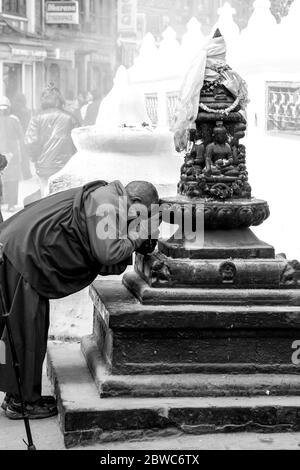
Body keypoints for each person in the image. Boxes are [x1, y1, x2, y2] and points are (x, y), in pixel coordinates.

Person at [0, 179, 160, 419]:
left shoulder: (108, 198)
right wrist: (137, 236)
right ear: (135, 202)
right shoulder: (108, 203)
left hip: (22, 251)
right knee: (26, 328)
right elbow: (108, 252)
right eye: (141, 215)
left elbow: (97, 250)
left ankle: (18, 396)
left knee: (26, 326)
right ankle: (22, 402)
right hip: (23, 255)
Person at [25, 83, 78, 199]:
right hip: (65, 166)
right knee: (63, 198)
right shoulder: (71, 118)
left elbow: (30, 142)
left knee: (45, 197)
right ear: (60, 100)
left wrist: (35, 158)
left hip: (44, 166)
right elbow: (78, 143)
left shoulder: (36, 118)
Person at [0, 96, 26, 211]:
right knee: (12, 179)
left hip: (6, 153)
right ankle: (11, 204)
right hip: (12, 153)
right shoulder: (14, 119)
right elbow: (21, 136)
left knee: (5, 178)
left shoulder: (14, 119)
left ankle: (5, 203)